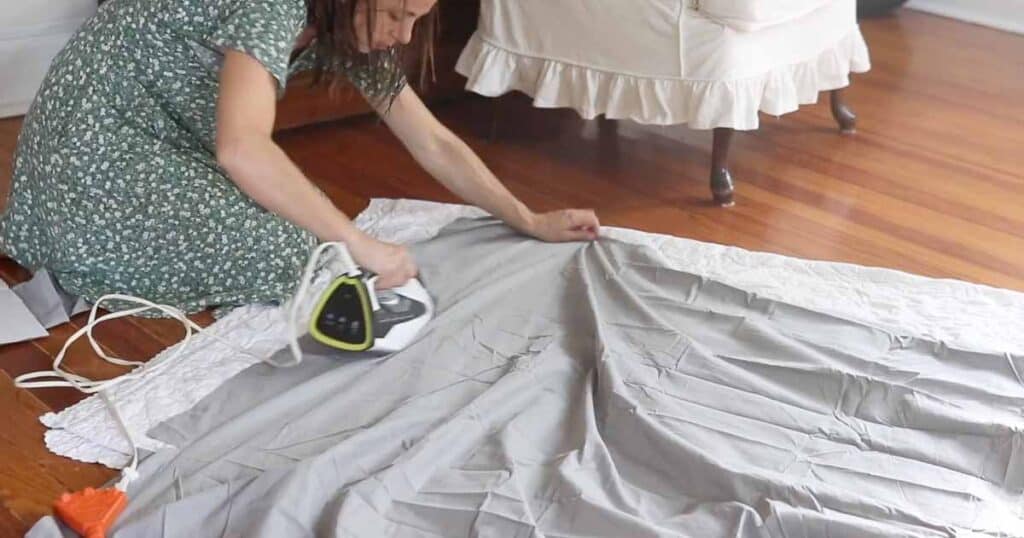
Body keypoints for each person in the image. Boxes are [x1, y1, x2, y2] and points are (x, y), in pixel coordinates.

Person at [0, 0, 600, 316]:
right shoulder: (274, 3)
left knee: (309, 216)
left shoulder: (342, 25)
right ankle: (81, 246)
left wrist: (528, 218)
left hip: (159, 139)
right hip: (96, 142)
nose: (404, 35)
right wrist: (362, 248)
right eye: (396, 14)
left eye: (416, 19)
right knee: (305, 252)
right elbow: (241, 148)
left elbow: (432, 140)